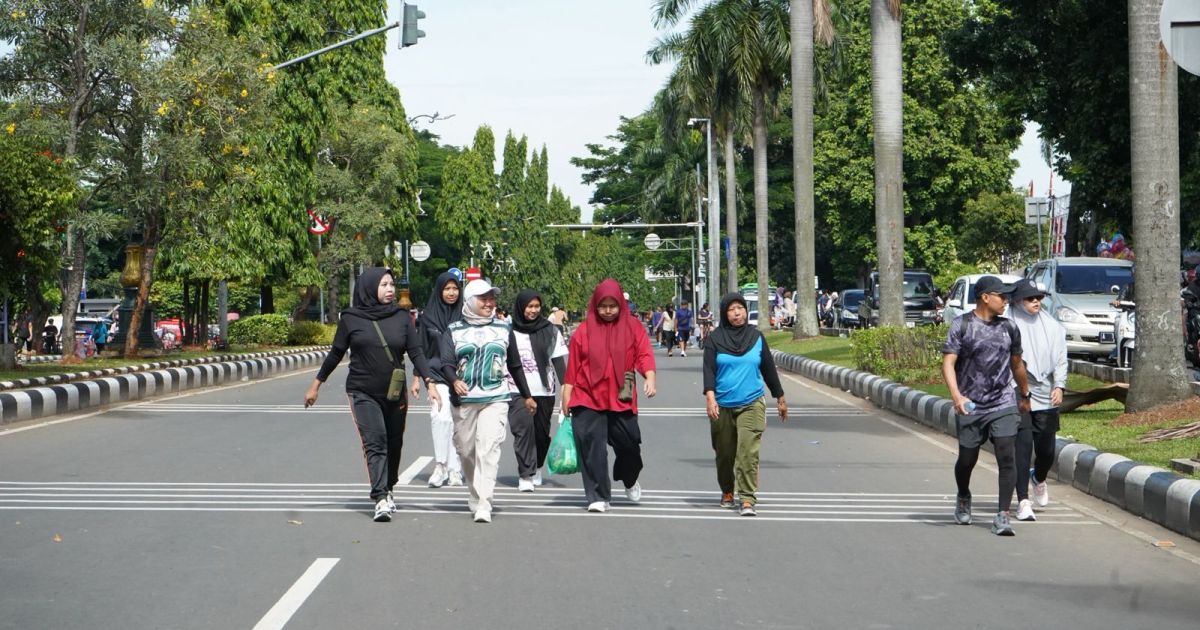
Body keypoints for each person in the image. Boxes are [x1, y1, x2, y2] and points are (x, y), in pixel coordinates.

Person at [305, 268, 442, 523]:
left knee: (394, 443)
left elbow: (416, 352)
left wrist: (429, 382)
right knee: (375, 442)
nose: (390, 289)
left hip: (394, 392)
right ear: (368, 287)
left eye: (391, 284)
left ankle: (389, 486)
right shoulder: (351, 318)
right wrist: (316, 385)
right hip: (362, 391)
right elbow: (336, 353)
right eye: (383, 285)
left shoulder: (402, 318)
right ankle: (380, 497)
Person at [941, 275, 1032, 536]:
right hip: (970, 403)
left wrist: (1024, 394)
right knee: (967, 458)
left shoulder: (1009, 328)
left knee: (1006, 454)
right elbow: (948, 363)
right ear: (985, 297)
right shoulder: (962, 325)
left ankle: (1003, 515)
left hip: (1003, 401)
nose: (1006, 301)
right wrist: (957, 397)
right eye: (1001, 296)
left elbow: (1017, 364)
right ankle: (963, 494)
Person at [438, 279, 535, 523]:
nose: (490, 303)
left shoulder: (504, 329)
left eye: (492, 299)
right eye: (484, 299)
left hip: (496, 397)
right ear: (470, 301)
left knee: (488, 448)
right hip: (464, 400)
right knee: (466, 451)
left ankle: (484, 502)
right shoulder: (453, 330)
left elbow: (514, 364)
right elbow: (446, 362)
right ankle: (475, 492)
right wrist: (453, 381)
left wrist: (527, 395)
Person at [560, 279, 657, 513]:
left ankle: (629, 477)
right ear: (595, 305)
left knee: (629, 444)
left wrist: (650, 378)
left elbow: (643, 354)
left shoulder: (633, 327)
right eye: (603, 306)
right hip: (587, 396)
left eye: (612, 305)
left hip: (620, 396)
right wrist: (566, 396)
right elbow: (573, 367)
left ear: (620, 306)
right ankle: (597, 496)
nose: (608, 310)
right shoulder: (583, 331)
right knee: (591, 446)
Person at [703, 293, 788, 516]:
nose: (737, 312)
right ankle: (728, 491)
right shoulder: (714, 339)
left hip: (752, 403)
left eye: (740, 307)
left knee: (747, 453)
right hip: (722, 405)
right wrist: (710, 397)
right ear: (724, 313)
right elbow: (709, 371)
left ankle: (748, 498)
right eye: (731, 309)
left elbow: (768, 368)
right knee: (724, 454)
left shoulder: (756, 337)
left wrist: (779, 396)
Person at [1006, 279, 1067, 522]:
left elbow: (1061, 357)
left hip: (1045, 391)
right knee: (1022, 447)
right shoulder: (1007, 322)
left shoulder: (1052, 326)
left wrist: (1060, 385)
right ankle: (1022, 501)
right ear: (1018, 300)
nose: (1035, 302)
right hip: (1016, 391)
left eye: (1039, 298)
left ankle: (1038, 478)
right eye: (1030, 298)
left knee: (1046, 450)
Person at [508, 289, 569, 492]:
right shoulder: (509, 330)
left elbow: (558, 361)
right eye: (529, 306)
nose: (533, 310)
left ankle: (537, 466)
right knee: (522, 432)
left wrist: (566, 390)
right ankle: (525, 474)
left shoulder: (550, 330)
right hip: (516, 390)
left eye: (536, 306)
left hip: (544, 390)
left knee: (541, 435)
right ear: (520, 307)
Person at [411, 272, 465, 489]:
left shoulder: (465, 315)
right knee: (439, 417)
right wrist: (417, 378)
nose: (451, 293)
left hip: (460, 376)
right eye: (447, 289)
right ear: (439, 290)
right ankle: (440, 465)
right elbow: (420, 349)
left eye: (455, 289)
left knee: (457, 423)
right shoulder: (428, 317)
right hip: (435, 375)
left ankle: (455, 469)